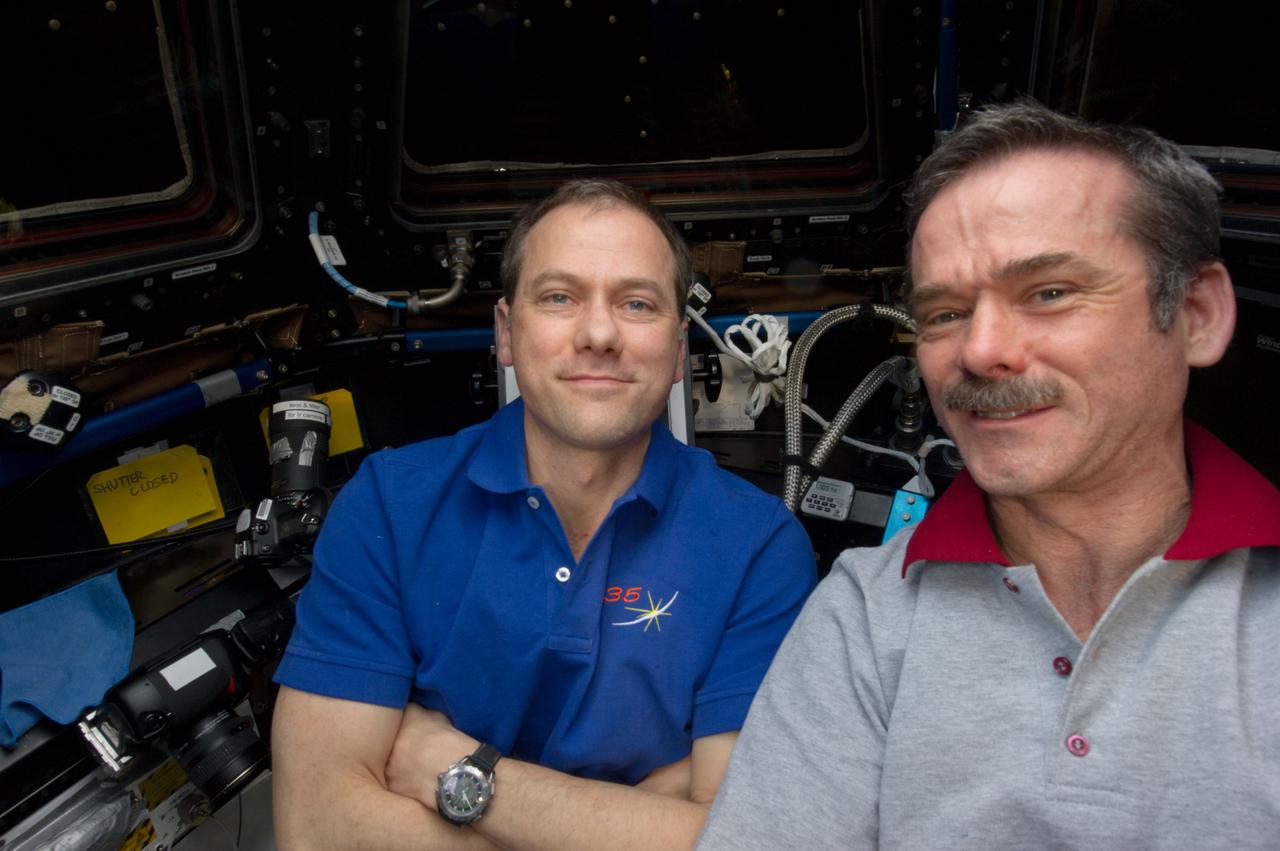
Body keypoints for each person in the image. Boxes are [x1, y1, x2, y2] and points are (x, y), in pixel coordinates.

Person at [698, 101, 1280, 849]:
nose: (980, 350)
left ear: (1196, 314)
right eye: (943, 313)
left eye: (1048, 292)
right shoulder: (868, 616)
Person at [271, 178, 816, 850]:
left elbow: (748, 837)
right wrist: (641, 821)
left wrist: (455, 770)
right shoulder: (388, 504)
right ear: (506, 332)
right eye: (559, 297)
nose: (597, 333)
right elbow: (318, 827)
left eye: (637, 303)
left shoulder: (760, 547)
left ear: (679, 350)